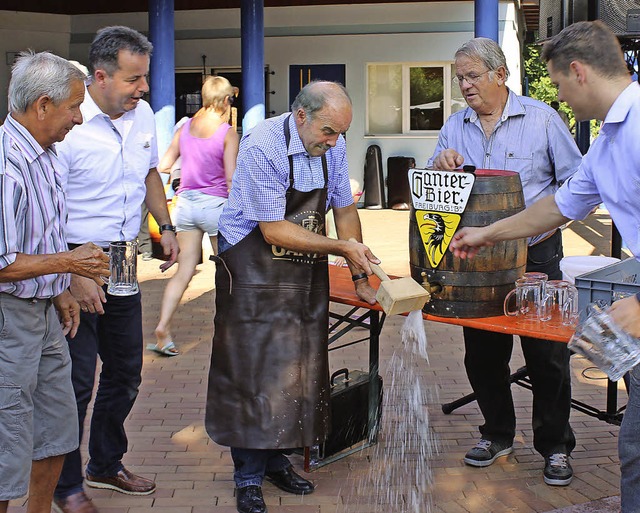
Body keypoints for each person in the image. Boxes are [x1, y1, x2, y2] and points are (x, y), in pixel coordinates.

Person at [448, 20, 639, 511]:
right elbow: (559, 205)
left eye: (556, 83)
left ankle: (555, 444)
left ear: (577, 72)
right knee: (634, 448)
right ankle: (501, 433)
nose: (558, 96)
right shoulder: (609, 140)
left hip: (562, 269)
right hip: (496, 261)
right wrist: (486, 234)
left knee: (552, 363)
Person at [204, 81, 379, 513]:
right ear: (301, 116)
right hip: (251, 267)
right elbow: (273, 229)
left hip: (301, 272)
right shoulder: (264, 143)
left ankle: (275, 459)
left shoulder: (330, 147)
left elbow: (344, 208)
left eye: (340, 133)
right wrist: (341, 249)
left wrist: (359, 271)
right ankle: (247, 474)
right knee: (252, 368)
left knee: (296, 367)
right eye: (328, 131)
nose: (334, 141)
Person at [427, 37, 583, 486]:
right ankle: (497, 434)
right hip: (477, 260)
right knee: (482, 354)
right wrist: (439, 163)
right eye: (460, 78)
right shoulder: (455, 126)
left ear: (500, 75)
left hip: (536, 252)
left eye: (472, 76)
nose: (465, 86)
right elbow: (430, 187)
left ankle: (554, 445)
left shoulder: (543, 120)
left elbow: (577, 183)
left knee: (547, 355)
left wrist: (549, 226)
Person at [52, 26, 179, 513]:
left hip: (123, 256)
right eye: (134, 79)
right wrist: (72, 271)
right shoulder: (67, 124)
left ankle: (104, 464)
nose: (143, 89)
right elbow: (46, 205)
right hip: (74, 256)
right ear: (100, 77)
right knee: (77, 379)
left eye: (144, 78)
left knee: (126, 370)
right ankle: (64, 484)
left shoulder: (141, 114)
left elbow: (149, 171)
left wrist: (164, 224)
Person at [0, 51, 110, 513]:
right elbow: (3, 264)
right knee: (8, 437)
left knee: (57, 430)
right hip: (9, 319)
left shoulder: (44, 154)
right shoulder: (7, 165)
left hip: (42, 312)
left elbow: (35, 237)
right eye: (73, 107)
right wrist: (70, 264)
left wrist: (60, 286)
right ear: (43, 105)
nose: (80, 119)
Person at [151, 76, 239, 356]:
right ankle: (234, 333)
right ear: (226, 100)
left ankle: (163, 328)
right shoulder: (227, 132)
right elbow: (230, 178)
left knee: (183, 272)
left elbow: (163, 165)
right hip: (216, 207)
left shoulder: (185, 128)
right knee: (229, 272)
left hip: (186, 206)